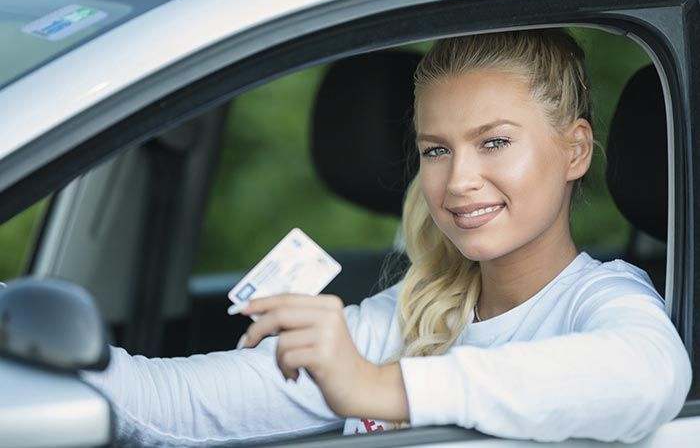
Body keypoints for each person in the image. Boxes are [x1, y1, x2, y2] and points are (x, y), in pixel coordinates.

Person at [82, 29, 692, 446]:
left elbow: (651, 375)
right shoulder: (407, 317)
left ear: (575, 149)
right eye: (436, 150)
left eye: (495, 142)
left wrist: (378, 387)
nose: (459, 181)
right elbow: (170, 405)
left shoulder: (603, 300)